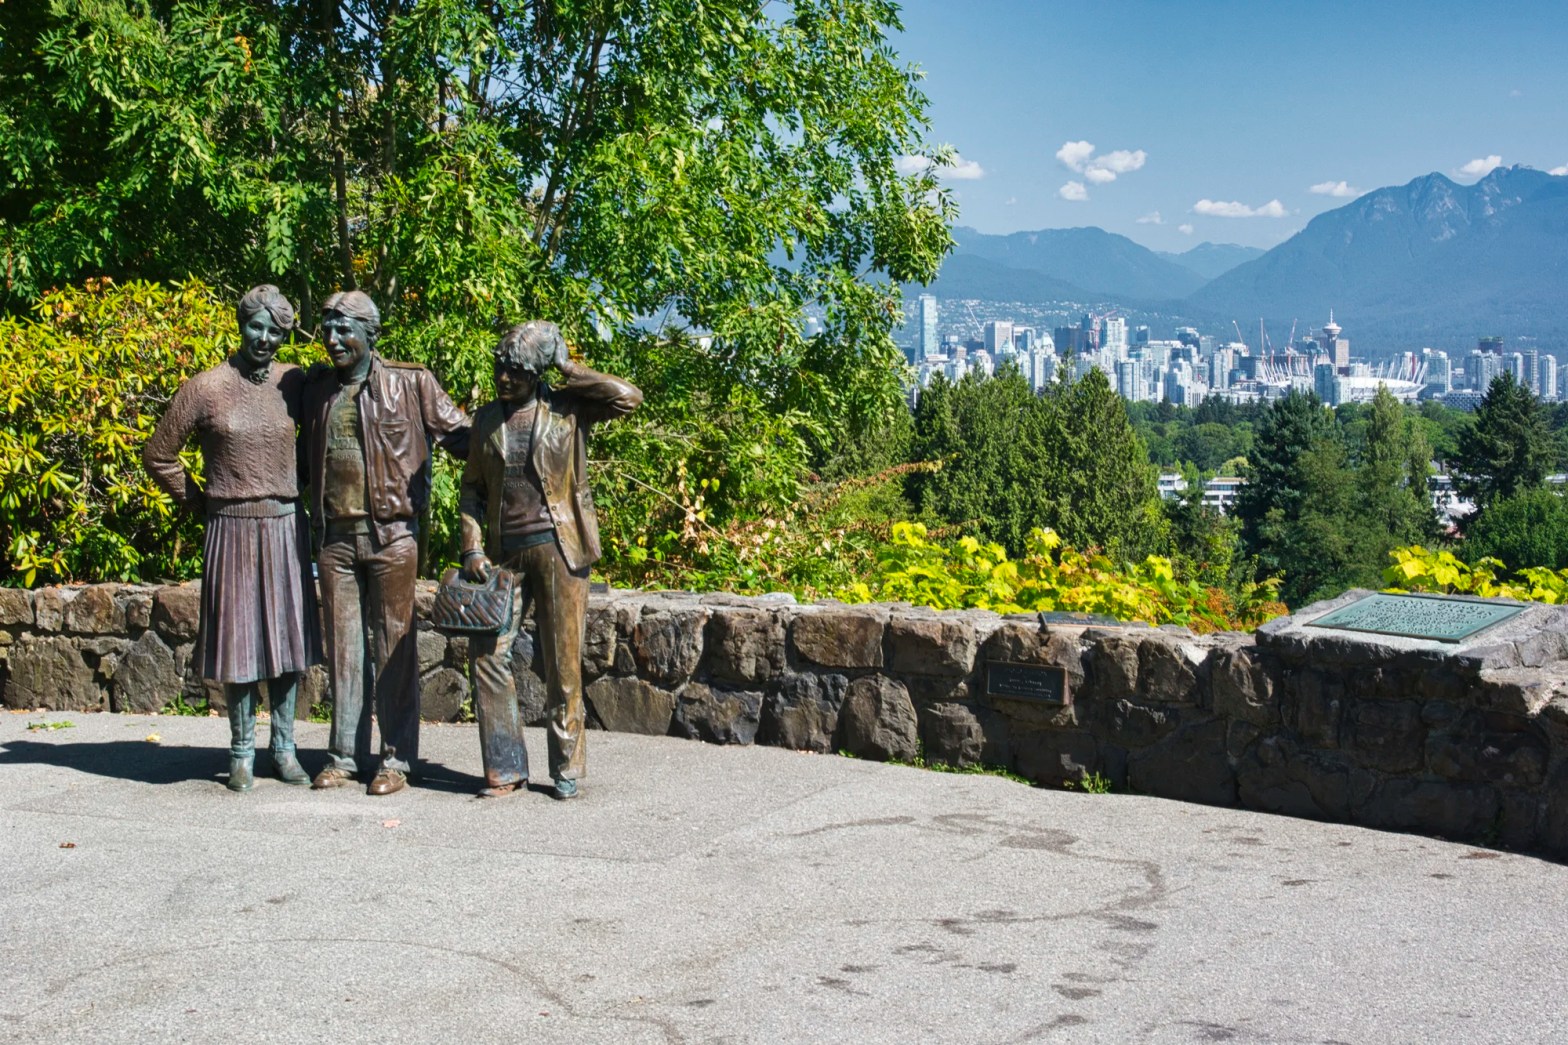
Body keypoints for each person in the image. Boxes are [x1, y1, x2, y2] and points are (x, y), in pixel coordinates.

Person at [143, 285, 321, 791]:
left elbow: (323, 436)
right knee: (239, 641)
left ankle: (284, 748)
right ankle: (241, 750)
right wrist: (199, 502)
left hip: (285, 525)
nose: (263, 338)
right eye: (256, 327)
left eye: (275, 332)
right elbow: (159, 455)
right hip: (231, 527)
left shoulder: (295, 383)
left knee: (287, 639)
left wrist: (302, 482)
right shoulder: (206, 388)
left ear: (284, 337)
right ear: (241, 325)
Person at [459, 322, 642, 800]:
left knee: (563, 664)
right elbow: (472, 490)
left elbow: (628, 397)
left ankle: (566, 766)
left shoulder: (568, 409)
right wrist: (472, 547)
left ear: (538, 373)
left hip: (561, 548)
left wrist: (568, 367)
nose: (504, 378)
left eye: (517, 372)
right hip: (503, 555)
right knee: (488, 655)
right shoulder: (486, 420)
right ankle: (504, 767)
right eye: (500, 368)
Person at [301, 291, 470, 795]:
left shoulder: (411, 383)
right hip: (335, 539)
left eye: (344, 329)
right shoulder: (316, 390)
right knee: (344, 652)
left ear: (370, 334)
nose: (333, 339)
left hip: (392, 536)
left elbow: (465, 437)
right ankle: (343, 756)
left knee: (395, 649)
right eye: (328, 329)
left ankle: (397, 759)